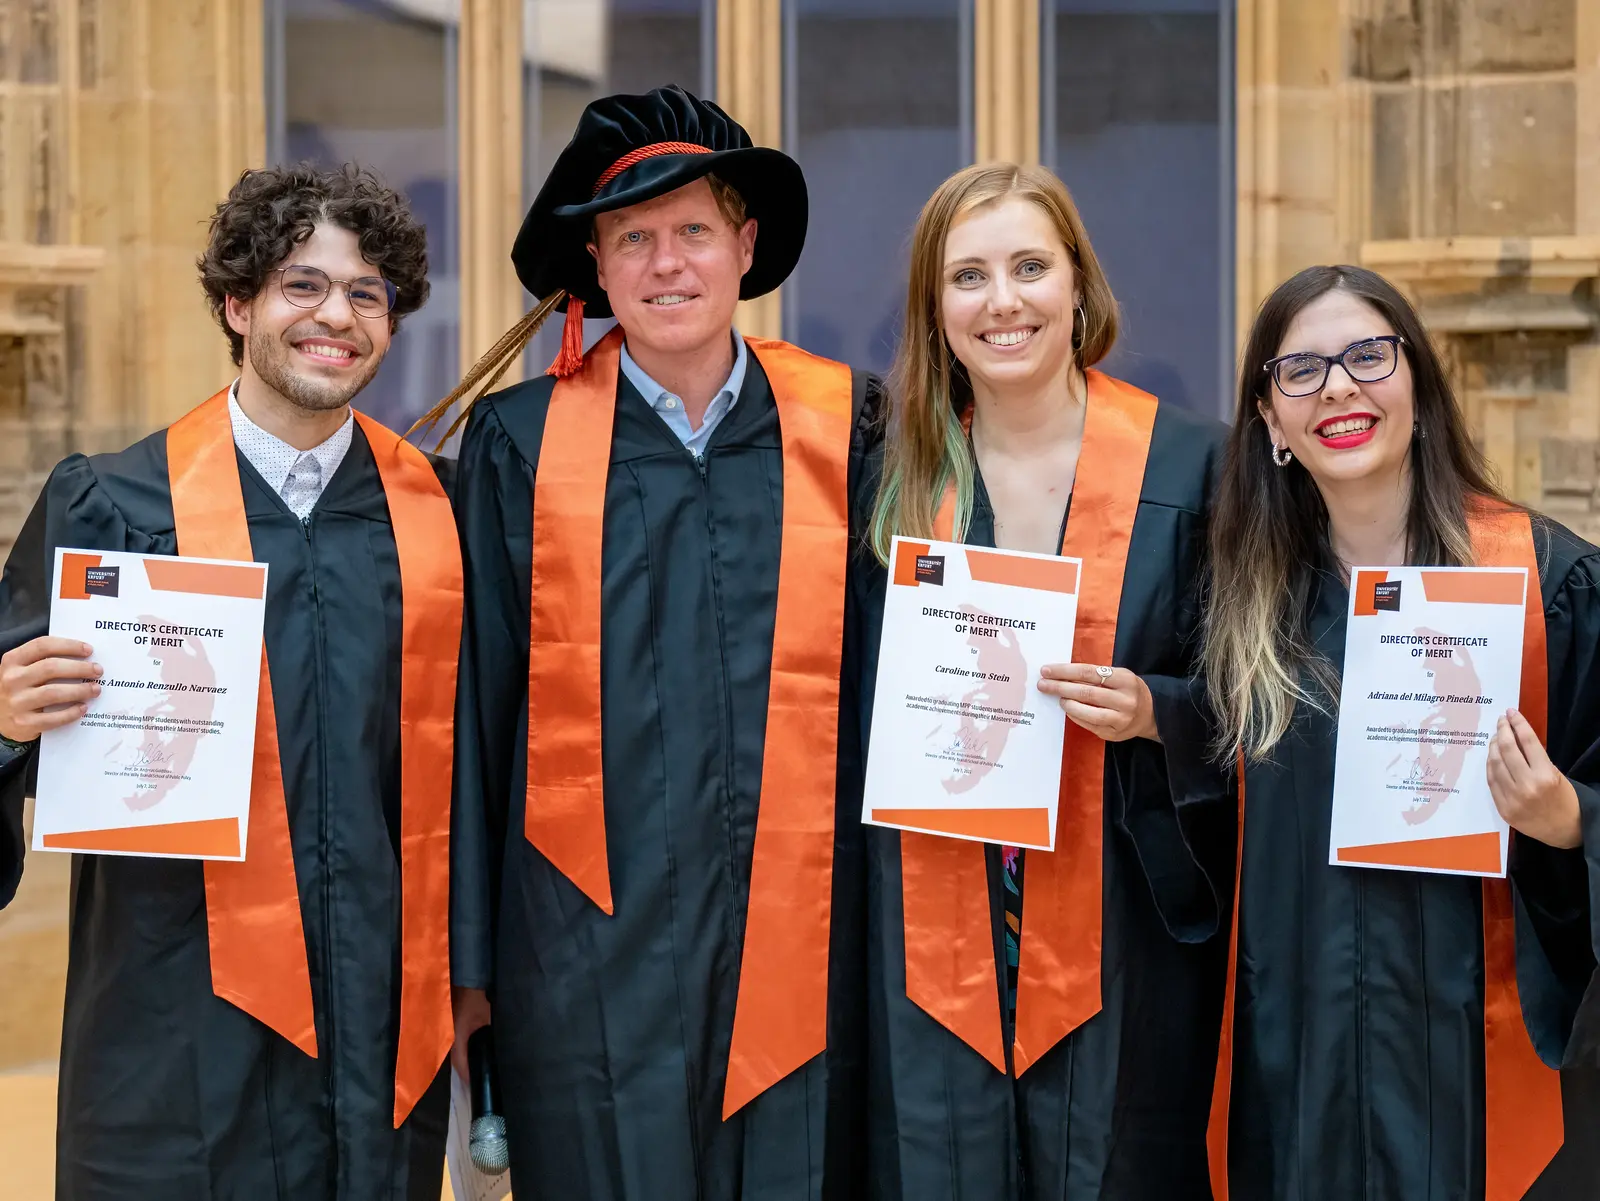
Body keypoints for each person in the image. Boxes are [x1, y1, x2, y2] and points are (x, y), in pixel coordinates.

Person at [433, 85, 878, 1199]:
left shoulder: (849, 427)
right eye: (633, 238)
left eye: (692, 230)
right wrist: (468, 961)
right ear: (595, 262)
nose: (666, 263)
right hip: (583, 944)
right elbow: (476, 708)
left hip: (809, 924)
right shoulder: (520, 443)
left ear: (746, 246)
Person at [0, 164, 461, 1200]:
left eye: (367, 293)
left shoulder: (439, 515)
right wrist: (4, 719)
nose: (335, 316)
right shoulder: (115, 506)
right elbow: (21, 723)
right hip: (174, 1015)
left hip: (376, 1015)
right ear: (238, 303)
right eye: (303, 284)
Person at [850, 161, 1231, 1198]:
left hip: (1126, 932)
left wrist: (1156, 711)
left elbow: (1259, 700)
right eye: (967, 276)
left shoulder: (1191, 467)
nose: (1002, 301)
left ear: (1077, 283)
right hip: (930, 929)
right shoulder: (890, 476)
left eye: (1029, 266)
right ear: (935, 308)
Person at [1202, 264, 1600, 1199]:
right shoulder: (1244, 613)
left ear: (1418, 385)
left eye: (1369, 356)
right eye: (1302, 370)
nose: (1339, 387)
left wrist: (1569, 819)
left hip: (1483, 1086)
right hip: (1296, 1081)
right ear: (1270, 420)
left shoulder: (1549, 586)